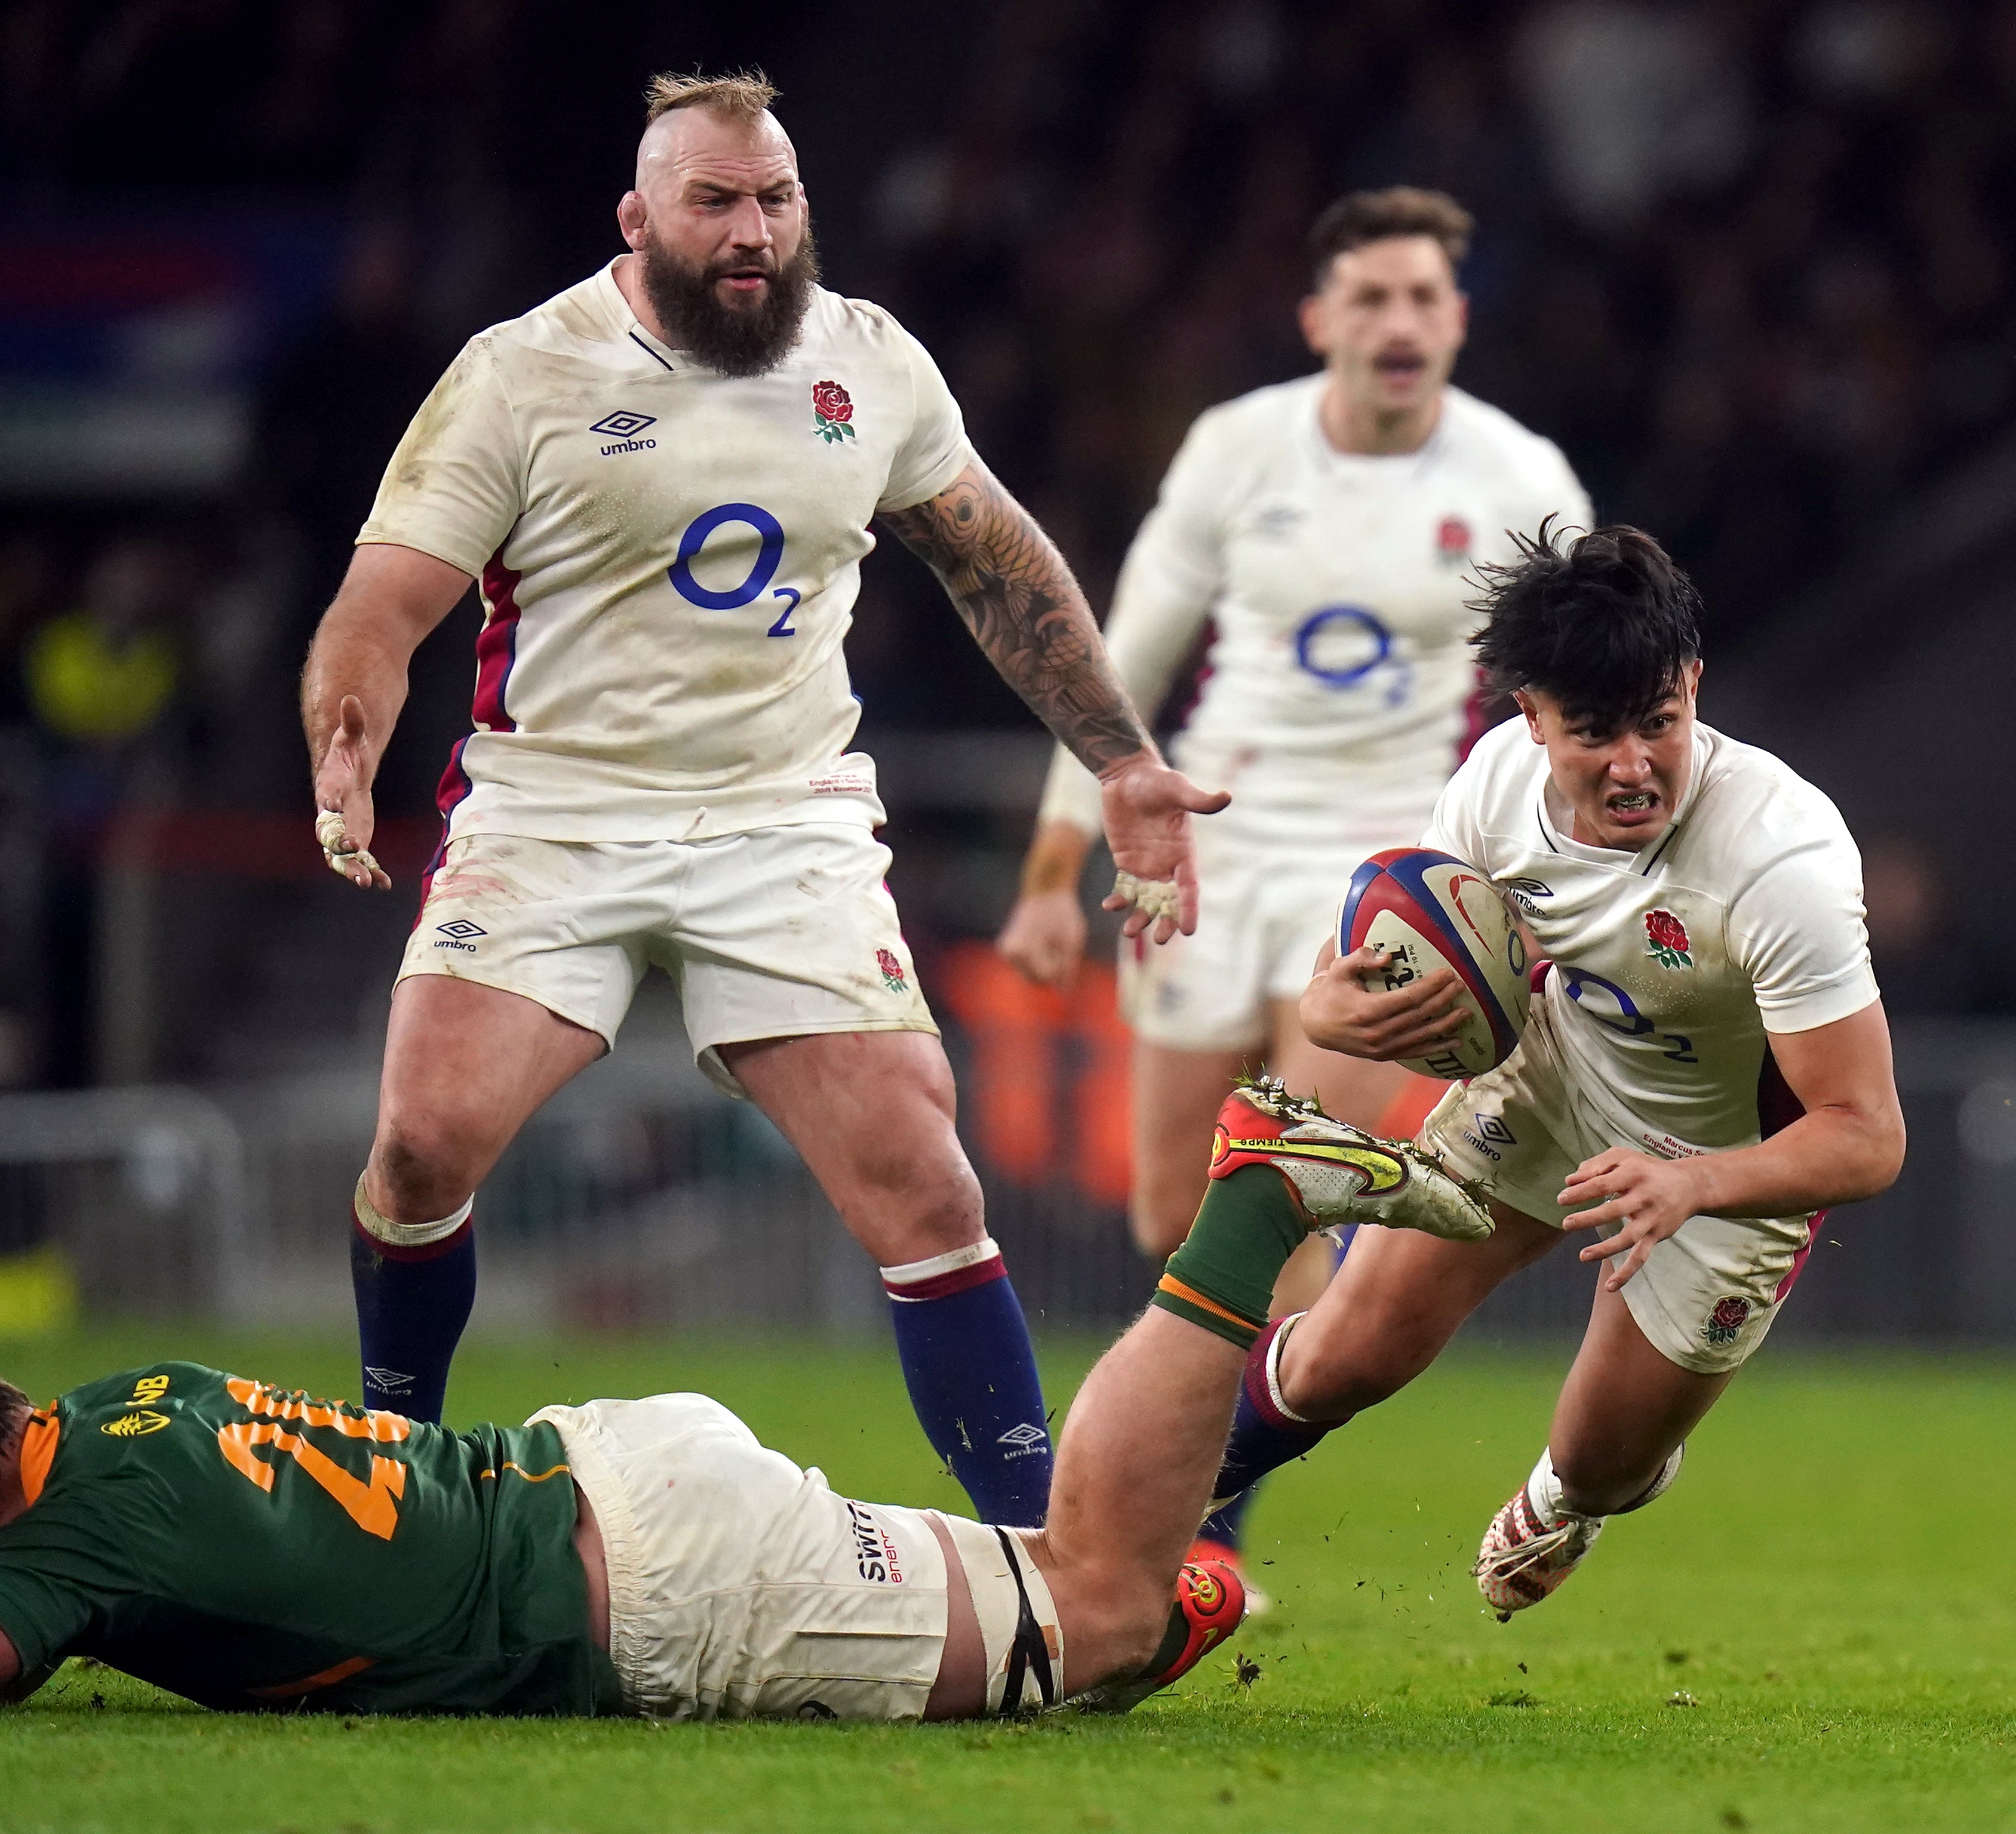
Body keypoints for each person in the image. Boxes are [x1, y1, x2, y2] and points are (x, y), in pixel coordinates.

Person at [298, 71, 1224, 1528]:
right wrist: (345, 741)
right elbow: (380, 606)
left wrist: (1118, 757)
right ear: (638, 217)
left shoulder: (870, 364)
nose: (751, 231)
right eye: (714, 201)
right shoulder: (521, 373)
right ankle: (384, 1467)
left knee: (926, 1182)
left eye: (775, 199)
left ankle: (1052, 1554)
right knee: (419, 1147)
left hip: (781, 820)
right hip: (555, 812)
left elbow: (994, 559)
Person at [0, 1082, 1483, 1720]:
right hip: (604, 1467)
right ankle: (1183, 1583)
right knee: (1089, 1597)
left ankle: (1258, 1199)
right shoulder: (138, 1396)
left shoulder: (67, 1546)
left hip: (660, 1585)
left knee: (1102, 1614)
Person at [997, 188, 1588, 1559]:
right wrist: (1049, 866)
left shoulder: (1518, 477)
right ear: (1319, 317)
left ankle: (1198, 1543)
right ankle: (1189, 1508)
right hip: (1213, 843)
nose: (1397, 322)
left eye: (1423, 298)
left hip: (1392, 874)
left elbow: (1576, 681)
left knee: (1275, 1190)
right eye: (1369, 297)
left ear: (1456, 319)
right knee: (1169, 1207)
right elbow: (1124, 653)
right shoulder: (1237, 448)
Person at [1203, 522, 1906, 1616]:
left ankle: (1582, 1490)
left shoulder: (1781, 859)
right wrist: (1327, 1004)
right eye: (1591, 732)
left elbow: (1865, 1133)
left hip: (1721, 1166)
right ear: (1526, 716)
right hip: (1549, 1078)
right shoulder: (1490, 788)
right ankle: (1140, 1524)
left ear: (1692, 685)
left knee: (1599, 1461)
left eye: (1659, 725)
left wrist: (1691, 1182)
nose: (1631, 767)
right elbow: (1412, 949)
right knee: (1348, 1349)